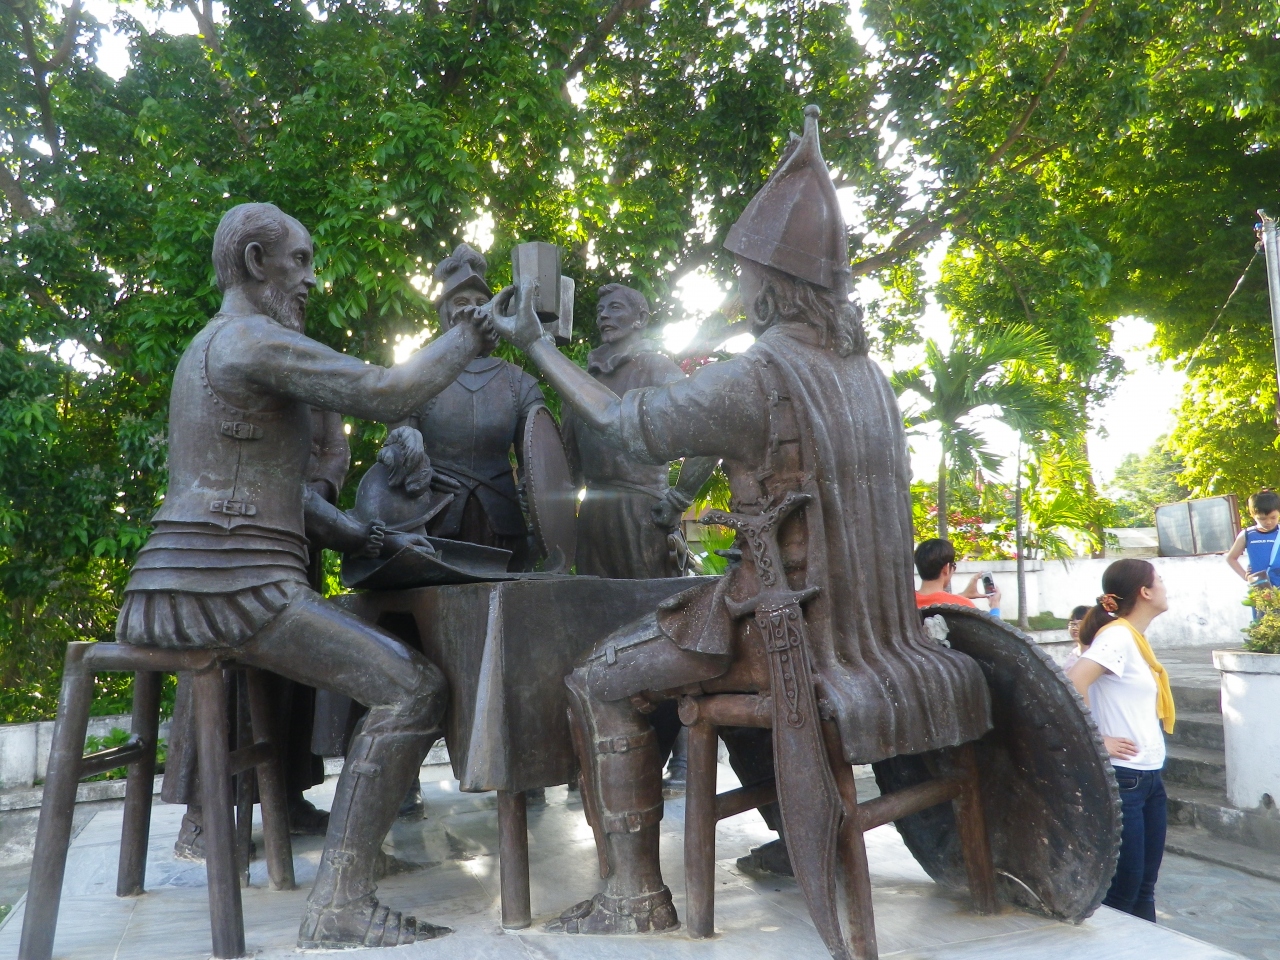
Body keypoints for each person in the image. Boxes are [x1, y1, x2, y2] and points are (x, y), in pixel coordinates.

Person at [483, 106, 991, 936]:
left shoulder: (758, 378)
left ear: (768, 283)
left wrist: (536, 344)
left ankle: (633, 897)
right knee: (701, 655)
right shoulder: (871, 378)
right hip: (880, 635)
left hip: (783, 634)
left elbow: (621, 425)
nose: (740, 288)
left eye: (745, 274)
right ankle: (797, 833)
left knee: (597, 679)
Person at [116, 202, 496, 948]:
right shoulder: (248, 339)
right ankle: (341, 905)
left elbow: (282, 492)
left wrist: (364, 532)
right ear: (256, 263)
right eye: (300, 261)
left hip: (193, 582)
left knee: (388, 678)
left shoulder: (213, 347)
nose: (311, 279)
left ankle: (341, 879)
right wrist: (472, 333)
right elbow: (388, 392)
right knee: (413, 688)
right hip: (229, 588)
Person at [395, 243, 545, 571]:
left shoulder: (520, 383)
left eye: (481, 303)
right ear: (444, 312)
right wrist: (417, 468)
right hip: (435, 521)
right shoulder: (417, 376)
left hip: (503, 524)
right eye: (461, 303)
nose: (474, 311)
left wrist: (535, 508)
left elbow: (538, 467)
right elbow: (399, 452)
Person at [1066, 559, 1176, 923]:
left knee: (1144, 887)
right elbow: (1075, 681)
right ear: (1144, 592)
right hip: (1125, 777)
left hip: (1148, 777)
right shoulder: (1117, 637)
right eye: (1159, 580)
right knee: (1123, 891)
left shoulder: (1133, 638)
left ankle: (1148, 947)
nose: (1164, 587)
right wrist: (1097, 739)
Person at [913, 538, 1002, 617]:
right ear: (946, 568)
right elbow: (990, 630)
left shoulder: (907, 602)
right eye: (954, 566)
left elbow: (933, 601)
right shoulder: (964, 606)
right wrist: (995, 605)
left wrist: (963, 595)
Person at [1226, 490, 1280, 618]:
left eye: (1273, 517)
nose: (1268, 522)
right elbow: (1231, 558)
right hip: (1261, 590)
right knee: (1264, 625)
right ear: (1253, 515)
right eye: (1262, 518)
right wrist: (1245, 577)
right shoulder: (1247, 535)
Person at [1062, 603, 1091, 671]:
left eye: (1080, 623)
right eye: (1072, 624)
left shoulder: (1097, 653)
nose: (1075, 628)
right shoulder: (1073, 654)